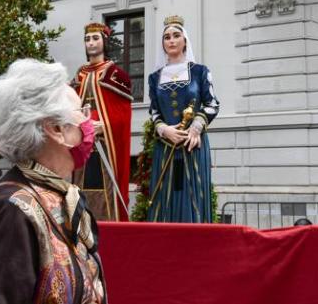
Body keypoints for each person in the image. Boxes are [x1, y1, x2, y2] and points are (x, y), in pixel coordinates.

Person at [0, 59, 107, 304]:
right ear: (55, 129)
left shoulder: (57, 191)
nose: (89, 123)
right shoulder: (13, 207)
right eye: (81, 112)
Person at [148, 15, 220, 223]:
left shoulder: (199, 72)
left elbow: (212, 103)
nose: (171, 40)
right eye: (167, 37)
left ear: (185, 40)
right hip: (165, 146)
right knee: (165, 198)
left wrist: (196, 128)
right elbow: (154, 112)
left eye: (176, 36)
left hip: (192, 146)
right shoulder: (154, 78)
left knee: (192, 196)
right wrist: (164, 130)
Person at [71, 22, 132, 221]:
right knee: (82, 186)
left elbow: (123, 114)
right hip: (83, 144)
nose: (91, 43)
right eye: (87, 39)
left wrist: (105, 125)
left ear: (104, 42)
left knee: (106, 188)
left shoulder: (115, 74)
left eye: (95, 38)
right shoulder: (79, 75)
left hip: (106, 145)